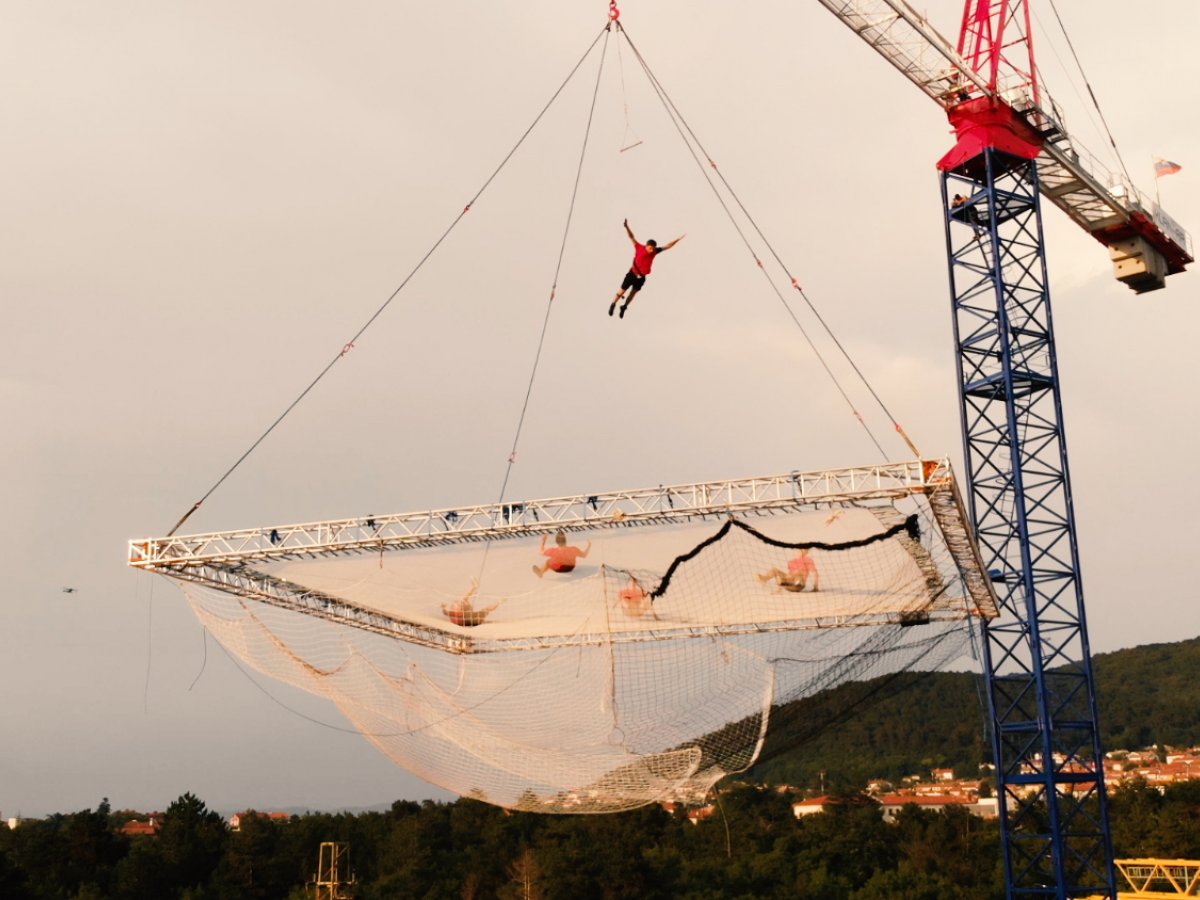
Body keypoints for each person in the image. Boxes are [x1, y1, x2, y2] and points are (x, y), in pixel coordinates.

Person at [609, 219, 684, 318]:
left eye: (653, 248)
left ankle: (624, 307)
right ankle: (613, 304)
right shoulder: (639, 247)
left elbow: (668, 246)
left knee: (633, 293)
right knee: (621, 291)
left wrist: (678, 239)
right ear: (647, 246)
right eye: (650, 248)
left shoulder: (655, 251)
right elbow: (631, 237)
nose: (651, 250)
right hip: (632, 273)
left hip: (642, 277)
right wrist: (627, 227)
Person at [756, 548, 820, 593]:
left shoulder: (808, 560)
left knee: (799, 572)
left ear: (807, 551)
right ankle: (765, 579)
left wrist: (816, 587)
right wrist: (779, 589)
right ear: (797, 549)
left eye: (805, 549)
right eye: (801, 549)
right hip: (789, 585)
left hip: (799, 585)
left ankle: (782, 581)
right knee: (775, 570)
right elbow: (790, 574)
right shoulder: (792, 561)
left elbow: (815, 573)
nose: (803, 551)